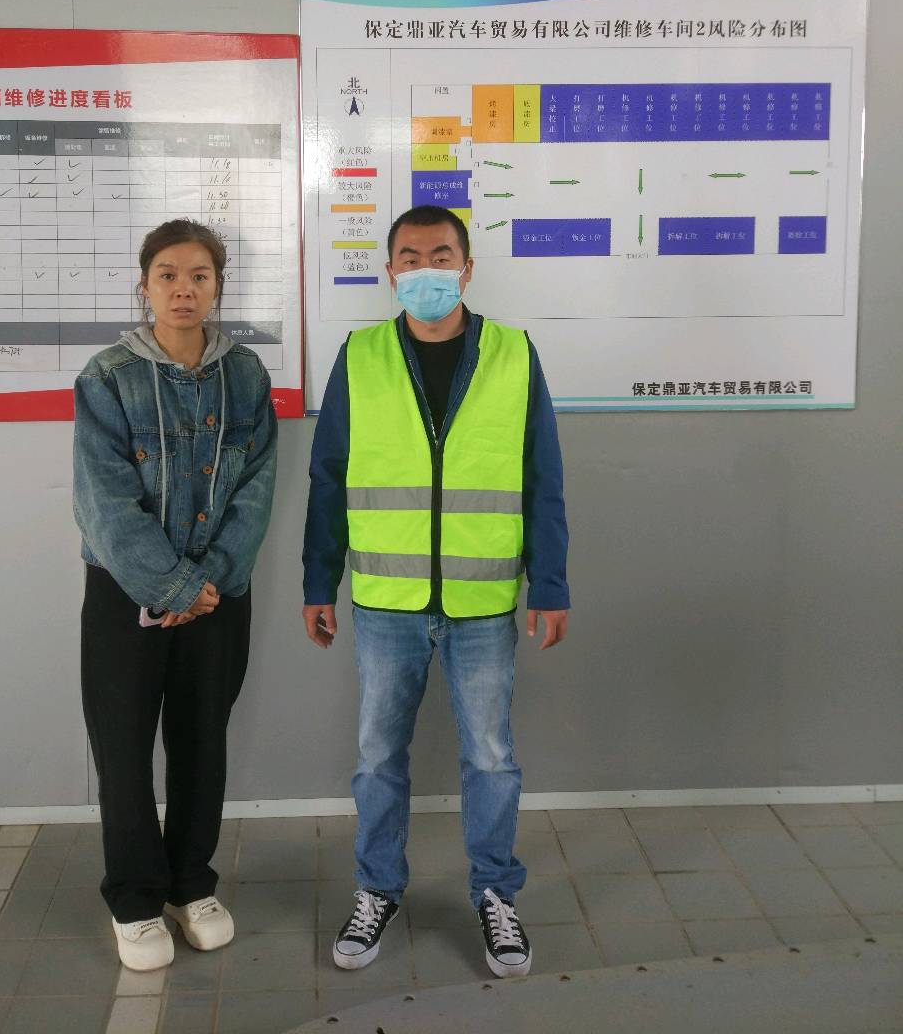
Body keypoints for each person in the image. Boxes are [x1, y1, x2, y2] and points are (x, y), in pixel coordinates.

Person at [303, 204, 569, 979]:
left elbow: (543, 477)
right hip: (385, 602)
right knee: (377, 756)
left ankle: (496, 893)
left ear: (467, 267)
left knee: (491, 757)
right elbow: (328, 477)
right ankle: (377, 888)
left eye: (441, 256)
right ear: (390, 272)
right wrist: (319, 580)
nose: (427, 270)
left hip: (483, 603)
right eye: (411, 258)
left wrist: (550, 585)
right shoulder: (361, 356)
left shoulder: (514, 353)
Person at [73, 217, 277, 971]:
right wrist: (175, 586)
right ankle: (134, 897)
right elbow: (104, 502)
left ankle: (191, 883)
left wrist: (208, 581)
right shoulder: (106, 377)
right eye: (168, 275)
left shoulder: (245, 375)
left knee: (202, 743)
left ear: (218, 285)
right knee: (124, 748)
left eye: (199, 275)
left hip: (221, 594)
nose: (183, 289)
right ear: (145, 285)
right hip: (126, 594)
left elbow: (257, 487)